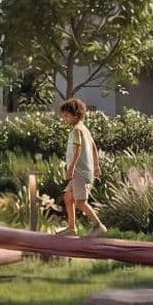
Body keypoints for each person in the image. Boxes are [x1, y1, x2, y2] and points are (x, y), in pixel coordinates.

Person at [57, 98, 107, 237]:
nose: (64, 118)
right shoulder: (84, 129)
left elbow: (78, 149)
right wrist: (96, 166)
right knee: (68, 197)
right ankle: (71, 228)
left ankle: (98, 225)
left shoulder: (76, 131)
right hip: (84, 172)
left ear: (76, 115)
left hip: (79, 172)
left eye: (66, 115)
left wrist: (71, 168)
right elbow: (94, 147)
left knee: (80, 202)